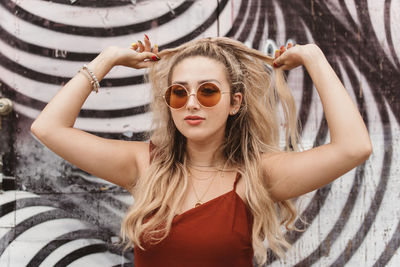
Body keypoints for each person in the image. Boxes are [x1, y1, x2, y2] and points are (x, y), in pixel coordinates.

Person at [30, 35, 372, 267]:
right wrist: (108, 59)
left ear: (235, 102)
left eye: (208, 91)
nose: (192, 102)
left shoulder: (259, 175)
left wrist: (313, 57)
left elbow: (354, 147)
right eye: (179, 93)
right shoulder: (145, 165)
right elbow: (48, 128)